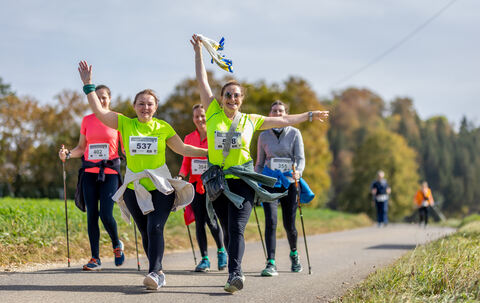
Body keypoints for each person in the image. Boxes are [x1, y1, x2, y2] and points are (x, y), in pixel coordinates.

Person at [191, 34, 329, 293]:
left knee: (237, 227)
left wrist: (310, 115)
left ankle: (235, 274)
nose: (232, 99)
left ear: (242, 99)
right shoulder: (211, 113)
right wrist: (199, 51)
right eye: (228, 95)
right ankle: (234, 268)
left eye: (237, 96)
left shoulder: (250, 120)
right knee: (228, 231)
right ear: (221, 98)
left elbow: (285, 121)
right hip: (218, 181)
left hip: (243, 179)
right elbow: (202, 79)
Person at [77, 60, 208, 290]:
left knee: (155, 227)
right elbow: (99, 111)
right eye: (141, 104)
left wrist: (210, 153)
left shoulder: (163, 127)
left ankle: (155, 273)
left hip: (160, 187)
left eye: (149, 104)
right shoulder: (125, 124)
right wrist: (89, 85)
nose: (145, 107)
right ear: (134, 106)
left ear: (156, 107)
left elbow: (183, 149)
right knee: (145, 231)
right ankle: (157, 270)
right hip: (133, 188)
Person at [58, 84, 125, 271]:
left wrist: (132, 153)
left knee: (106, 213)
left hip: (110, 173)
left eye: (104, 97)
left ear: (109, 99)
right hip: (88, 172)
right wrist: (68, 154)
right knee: (92, 215)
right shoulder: (87, 120)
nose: (101, 100)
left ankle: (116, 244)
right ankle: (95, 258)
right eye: (97, 97)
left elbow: (124, 148)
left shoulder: (117, 119)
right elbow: (81, 147)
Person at [255, 100, 305, 276]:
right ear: (270, 114)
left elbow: (300, 158)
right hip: (270, 183)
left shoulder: (295, 133)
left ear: (286, 114)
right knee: (271, 221)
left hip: (289, 182)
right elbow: (259, 163)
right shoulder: (263, 136)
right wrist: (255, 181)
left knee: (289, 224)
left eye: (281, 111)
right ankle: (271, 262)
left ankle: (294, 253)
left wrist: (298, 172)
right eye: (274, 111)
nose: (277, 114)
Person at [177, 104, 227, 272]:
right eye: (197, 116)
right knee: (199, 221)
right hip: (194, 184)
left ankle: (221, 251)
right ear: (193, 119)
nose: (200, 119)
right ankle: (204, 258)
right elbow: (186, 161)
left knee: (211, 220)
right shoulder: (188, 138)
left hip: (211, 184)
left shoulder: (215, 135)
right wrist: (180, 176)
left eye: (203, 116)